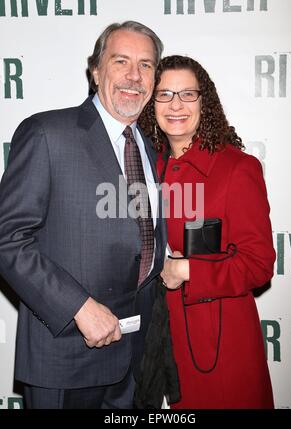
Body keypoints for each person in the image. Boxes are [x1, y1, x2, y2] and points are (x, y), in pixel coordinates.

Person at [0, 21, 166, 409]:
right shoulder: (47, 133)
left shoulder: (153, 151)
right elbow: (7, 238)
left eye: (145, 65)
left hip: (134, 360)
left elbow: (138, 238)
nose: (133, 76)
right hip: (67, 357)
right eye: (120, 60)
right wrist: (78, 307)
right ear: (95, 70)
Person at [138, 55, 276, 409]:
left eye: (188, 94)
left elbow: (258, 264)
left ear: (205, 100)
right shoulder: (143, 166)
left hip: (218, 345)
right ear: (150, 103)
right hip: (152, 338)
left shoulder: (237, 168)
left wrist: (187, 271)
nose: (176, 105)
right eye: (164, 94)